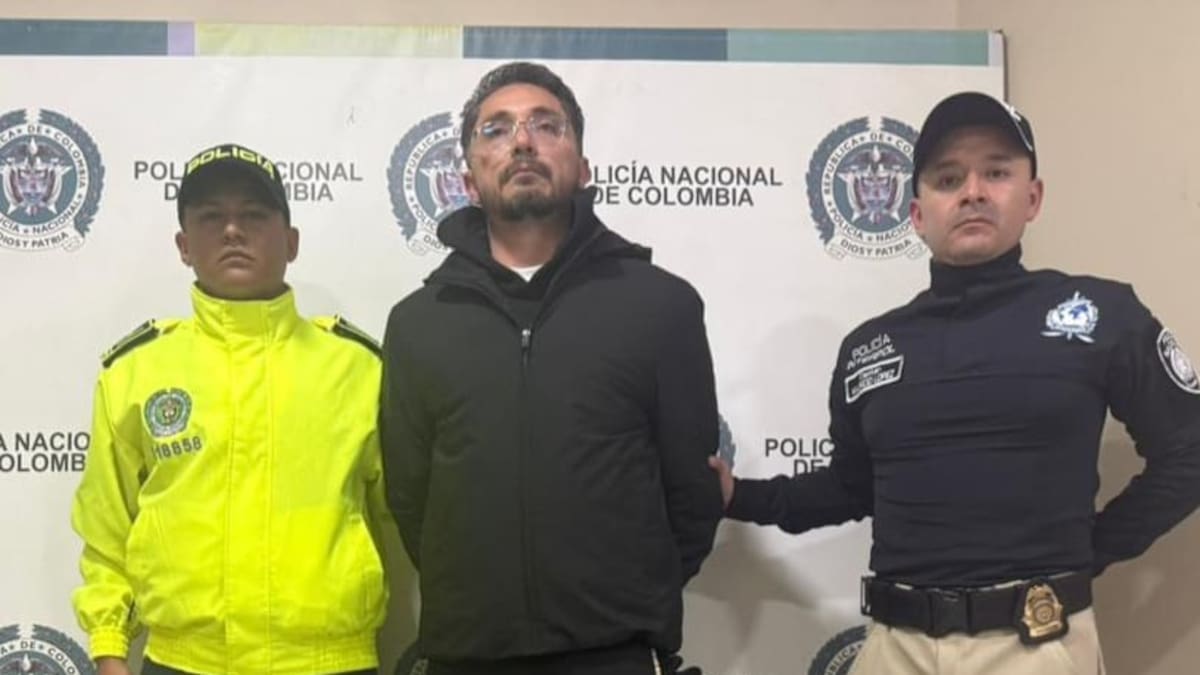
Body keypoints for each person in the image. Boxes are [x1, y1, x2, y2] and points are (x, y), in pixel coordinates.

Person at [710, 92, 1200, 674]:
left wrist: (1091, 550)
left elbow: (1190, 450)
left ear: (1033, 197)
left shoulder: (1100, 314)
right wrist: (739, 497)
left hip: (1035, 648)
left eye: (996, 172)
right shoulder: (870, 348)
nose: (972, 192)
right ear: (918, 214)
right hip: (894, 650)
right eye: (948, 179)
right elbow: (849, 488)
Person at [379, 61, 722, 675]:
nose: (522, 142)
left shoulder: (661, 305)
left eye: (546, 125)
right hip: (468, 656)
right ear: (468, 180)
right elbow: (411, 499)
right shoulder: (418, 323)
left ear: (583, 167)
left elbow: (692, 495)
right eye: (496, 129)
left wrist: (622, 601)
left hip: (615, 655)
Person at [71, 143, 389, 675]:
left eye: (254, 216)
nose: (233, 231)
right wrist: (108, 647)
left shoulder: (359, 369)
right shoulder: (135, 373)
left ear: (291, 242)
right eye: (211, 217)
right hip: (183, 662)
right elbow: (106, 529)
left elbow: (413, 519)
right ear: (183, 245)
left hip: (328, 662)